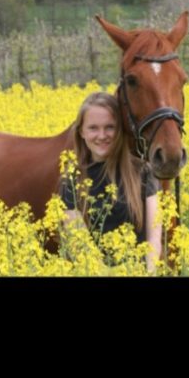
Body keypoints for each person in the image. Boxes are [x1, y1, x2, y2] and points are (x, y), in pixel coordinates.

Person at [59, 92, 162, 272]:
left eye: (110, 127)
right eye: (93, 128)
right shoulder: (71, 180)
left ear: (120, 129)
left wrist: (148, 273)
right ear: (81, 132)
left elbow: (154, 238)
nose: (102, 135)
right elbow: (80, 245)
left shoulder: (143, 172)